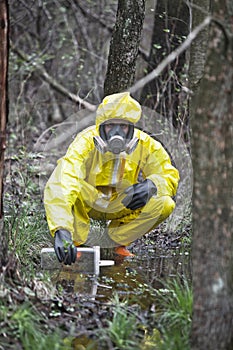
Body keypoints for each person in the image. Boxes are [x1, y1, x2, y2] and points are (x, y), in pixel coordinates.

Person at [44, 92, 179, 265]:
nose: (117, 132)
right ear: (101, 126)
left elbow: (167, 172)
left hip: (121, 202)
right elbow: (63, 181)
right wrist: (61, 229)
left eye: (123, 127)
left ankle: (117, 242)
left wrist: (153, 184)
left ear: (132, 128)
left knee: (165, 204)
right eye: (111, 126)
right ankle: (73, 243)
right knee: (63, 175)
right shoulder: (85, 142)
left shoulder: (145, 144)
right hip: (89, 201)